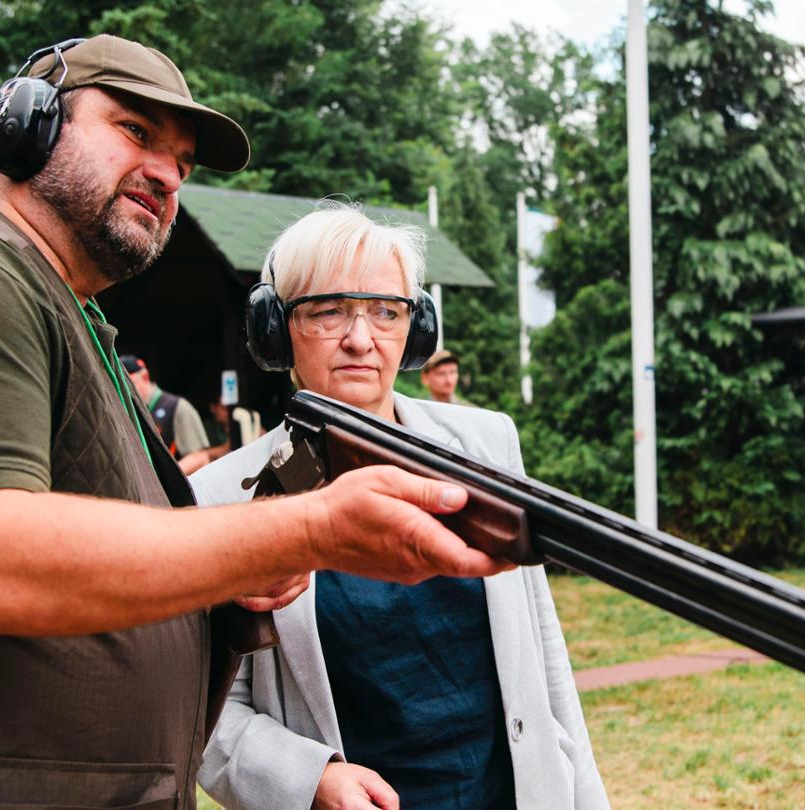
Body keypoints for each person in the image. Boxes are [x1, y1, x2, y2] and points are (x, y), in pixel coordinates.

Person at [0, 35, 509, 809]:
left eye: (183, 164)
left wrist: (234, 586)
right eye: (136, 132)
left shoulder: (65, 316)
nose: (166, 172)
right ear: (27, 125)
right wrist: (307, 530)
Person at [192, 207, 609, 810]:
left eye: (386, 311)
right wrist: (310, 781)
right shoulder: (223, 495)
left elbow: (544, 653)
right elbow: (208, 710)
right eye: (329, 310)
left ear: (415, 331)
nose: (361, 338)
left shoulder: (486, 446)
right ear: (276, 330)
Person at [122, 353, 212, 473]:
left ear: (145, 376)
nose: (125, 390)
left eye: (128, 383)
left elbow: (200, 457)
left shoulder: (177, 406)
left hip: (173, 487)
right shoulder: (126, 411)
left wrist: (164, 479)